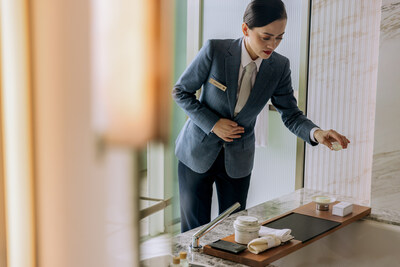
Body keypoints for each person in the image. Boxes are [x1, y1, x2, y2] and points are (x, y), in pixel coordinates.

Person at [172, 0, 350, 232]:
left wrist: (316, 133)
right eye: (266, 37)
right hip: (195, 153)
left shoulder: (279, 67)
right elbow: (181, 92)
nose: (272, 45)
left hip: (238, 161)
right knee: (194, 232)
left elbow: (291, 114)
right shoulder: (215, 50)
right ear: (246, 29)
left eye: (279, 38)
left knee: (233, 232)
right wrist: (213, 123)